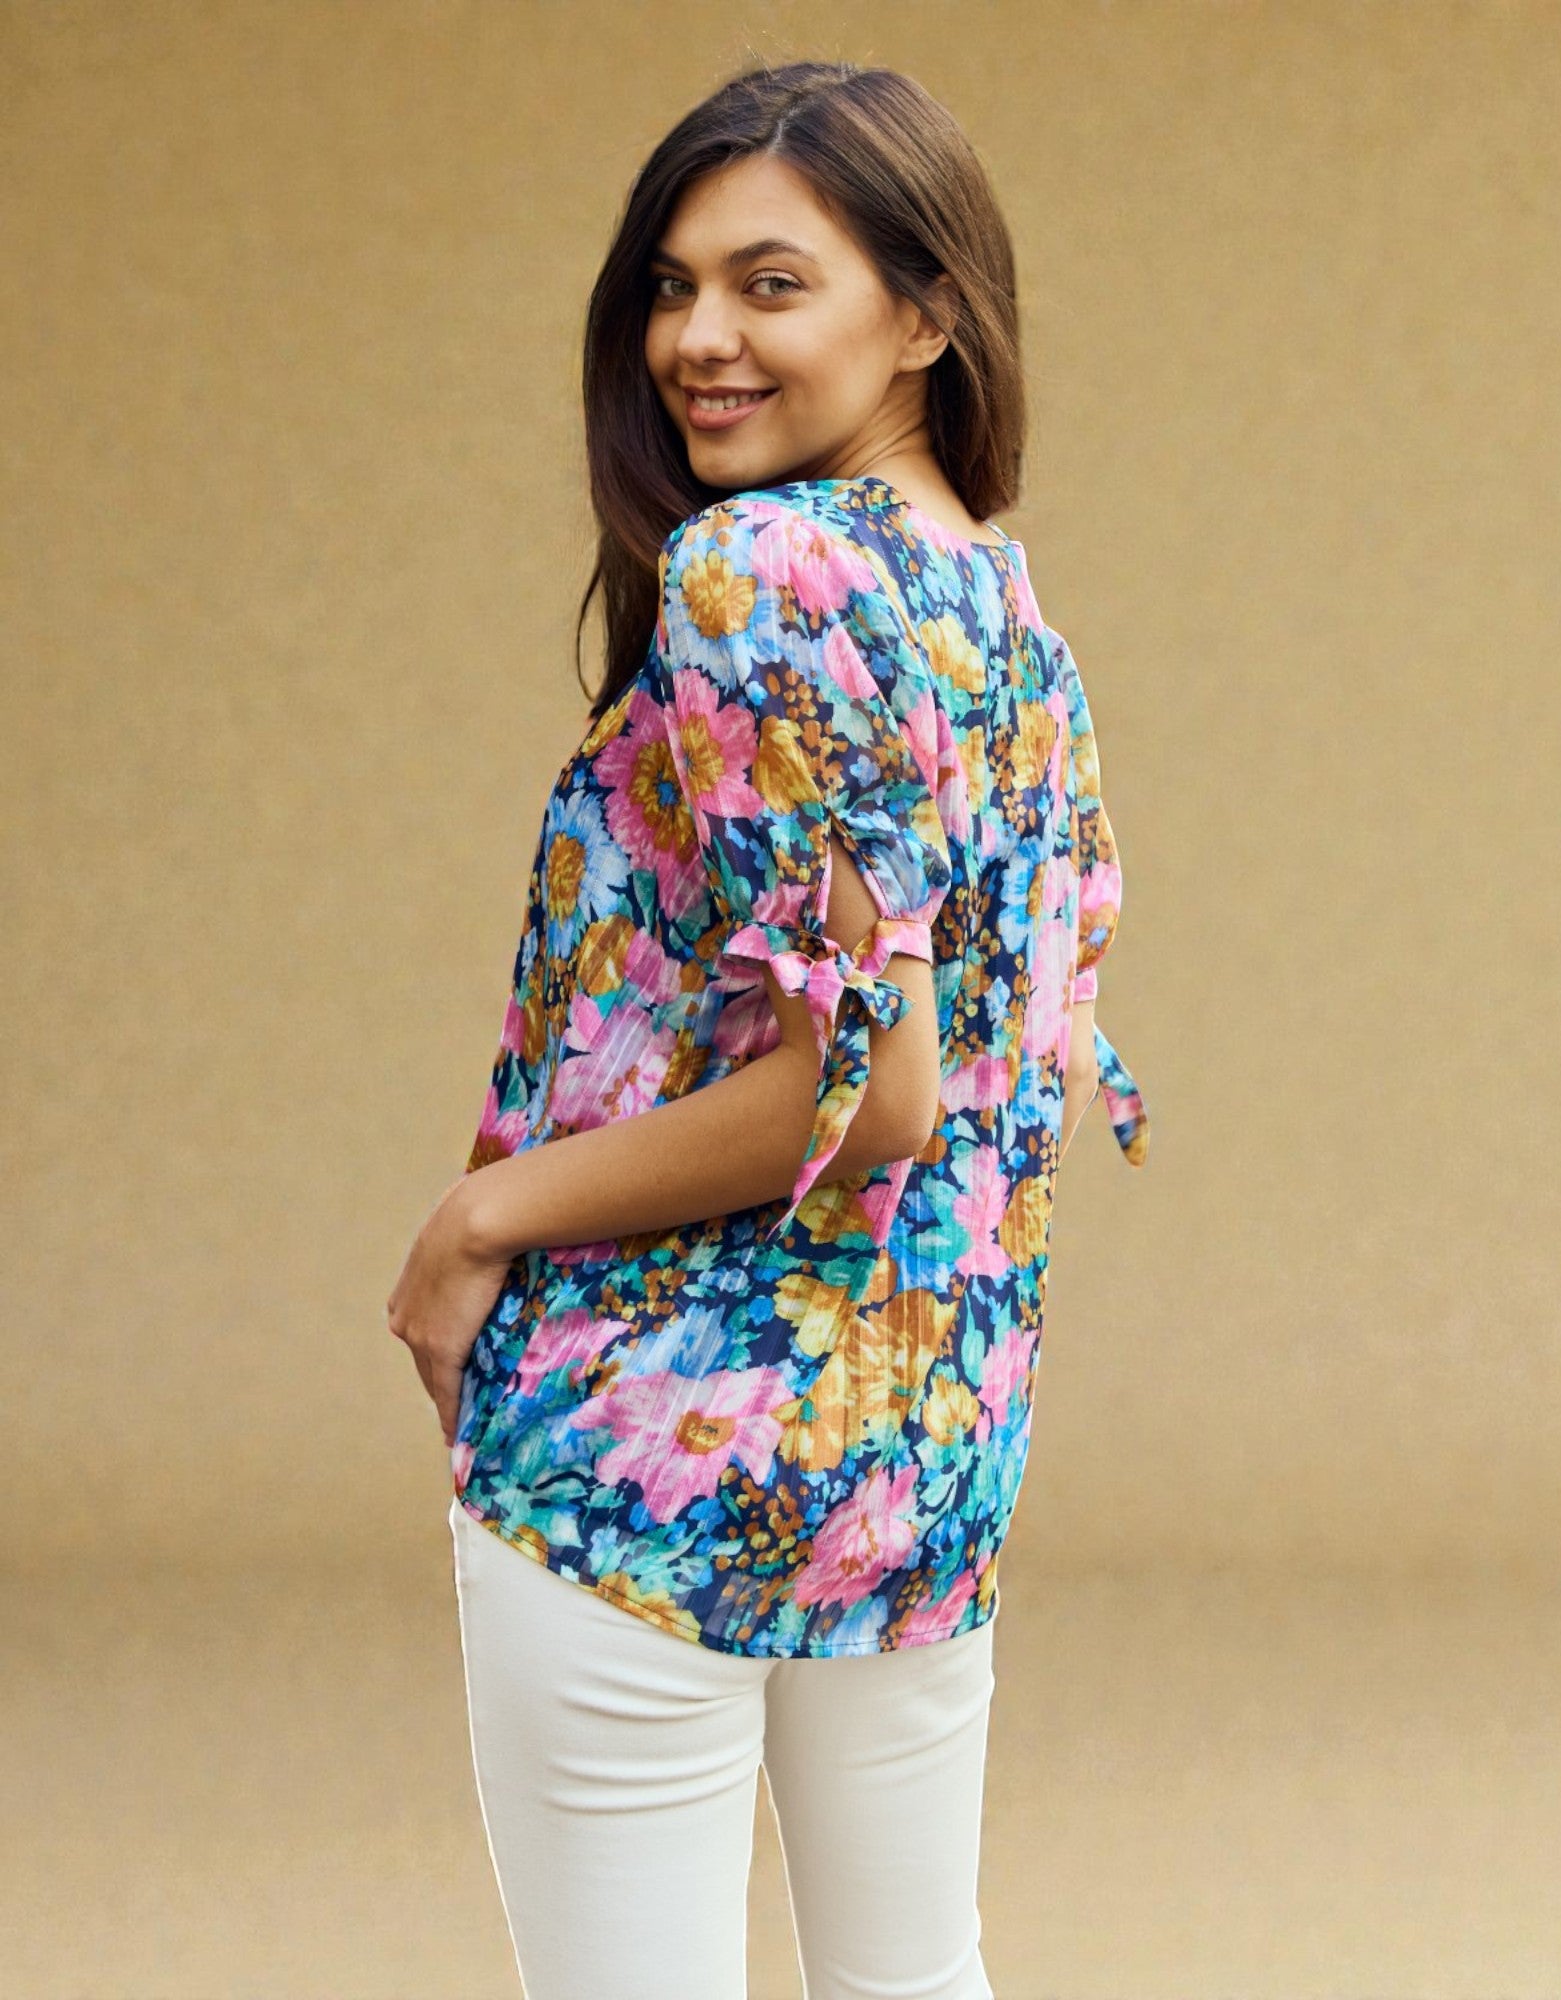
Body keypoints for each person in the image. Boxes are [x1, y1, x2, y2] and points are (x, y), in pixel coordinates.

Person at [386, 58, 1149, 2000]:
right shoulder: (999, 604)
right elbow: (1011, 1055)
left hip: (656, 1435)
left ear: (924, 315)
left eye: (765, 283)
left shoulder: (755, 573)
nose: (692, 339)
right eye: (666, 285)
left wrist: (483, 1220)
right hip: (916, 1458)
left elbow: (861, 1091)